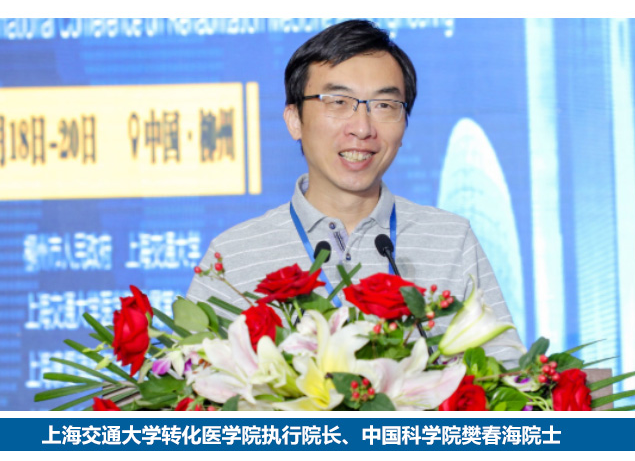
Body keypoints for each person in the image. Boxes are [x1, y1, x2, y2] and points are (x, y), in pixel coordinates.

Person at [185, 19, 525, 366]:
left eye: (384, 105)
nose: (362, 128)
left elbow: (509, 374)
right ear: (294, 120)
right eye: (338, 101)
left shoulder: (450, 239)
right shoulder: (233, 256)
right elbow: (189, 382)